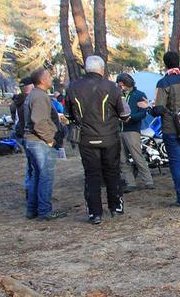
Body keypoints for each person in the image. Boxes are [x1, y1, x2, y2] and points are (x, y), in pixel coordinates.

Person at [65, 56, 131, 225]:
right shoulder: (112, 87)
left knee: (92, 175)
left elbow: (68, 114)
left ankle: (95, 213)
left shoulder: (73, 87)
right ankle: (115, 206)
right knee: (112, 172)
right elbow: (124, 114)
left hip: (86, 138)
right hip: (109, 137)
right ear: (101, 69)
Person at [139, 51, 180, 207]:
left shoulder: (164, 82)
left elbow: (159, 109)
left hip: (170, 128)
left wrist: (148, 108)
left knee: (176, 163)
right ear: (179, 62)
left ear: (165, 64)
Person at [23, 68, 66, 221]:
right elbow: (39, 121)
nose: (50, 78)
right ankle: (44, 211)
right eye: (48, 76)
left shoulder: (34, 95)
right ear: (42, 80)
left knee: (36, 176)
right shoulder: (39, 96)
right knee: (45, 177)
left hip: (33, 141)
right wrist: (49, 139)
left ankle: (32, 209)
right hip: (39, 142)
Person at [116, 73, 155, 193]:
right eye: (119, 85)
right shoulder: (117, 95)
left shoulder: (139, 95)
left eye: (122, 85)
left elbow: (143, 113)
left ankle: (148, 181)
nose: (121, 87)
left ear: (128, 83)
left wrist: (130, 118)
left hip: (132, 130)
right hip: (118, 130)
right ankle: (130, 183)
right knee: (122, 159)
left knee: (137, 156)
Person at [10, 77, 35, 195]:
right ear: (29, 87)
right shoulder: (28, 101)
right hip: (27, 134)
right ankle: (31, 190)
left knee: (30, 163)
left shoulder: (16, 101)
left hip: (20, 133)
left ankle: (29, 187)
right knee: (33, 164)